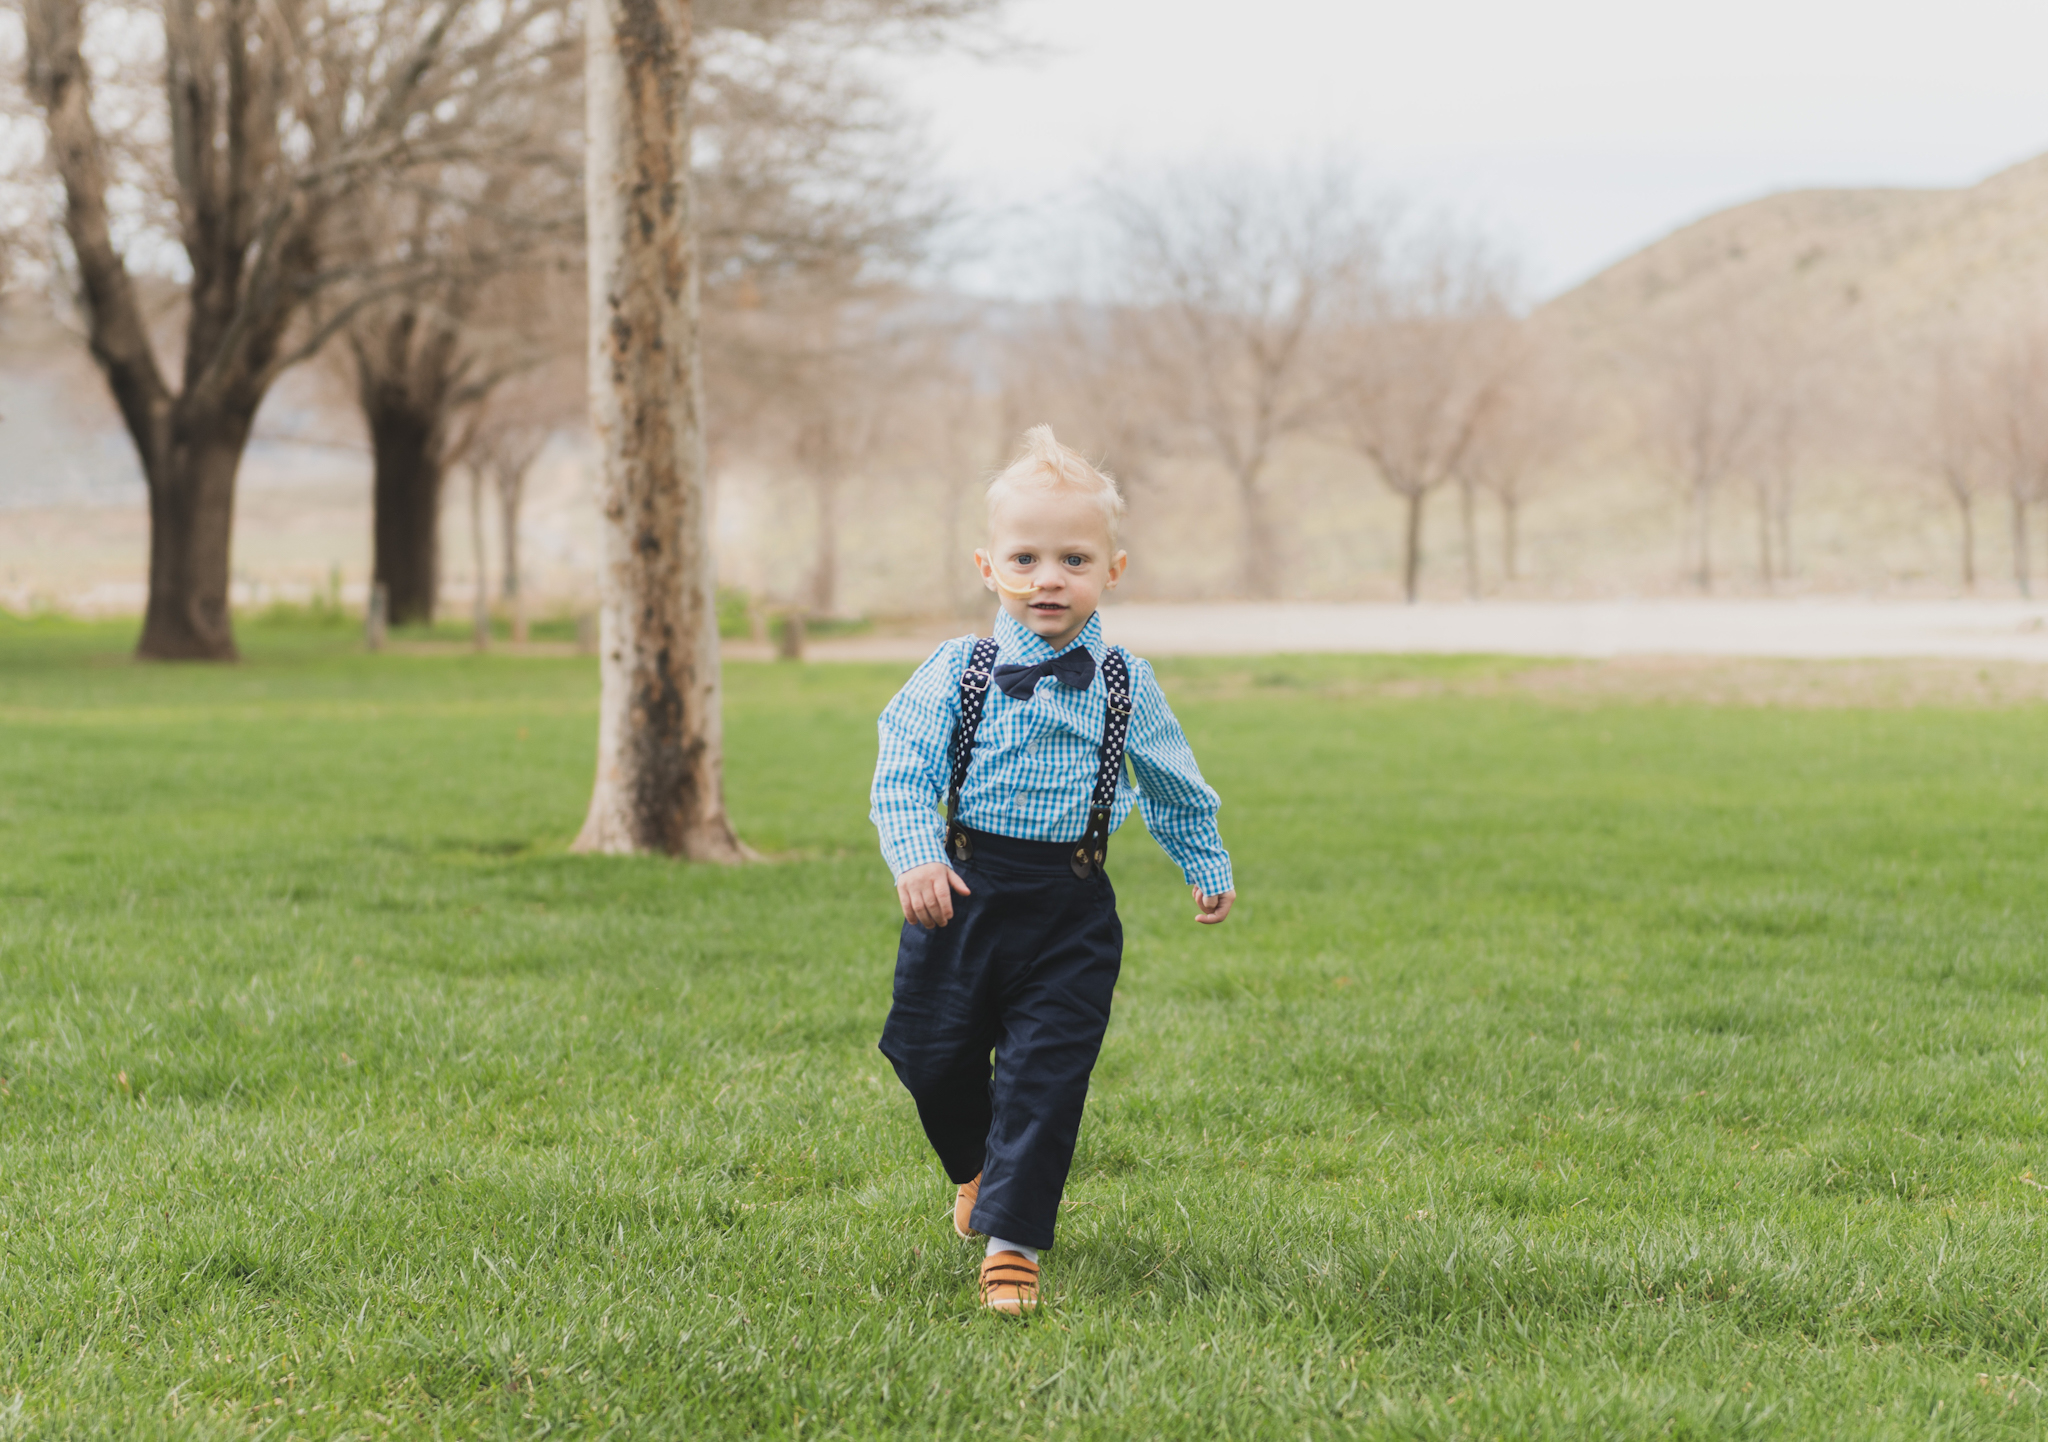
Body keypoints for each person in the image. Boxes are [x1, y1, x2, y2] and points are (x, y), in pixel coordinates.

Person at [870, 425, 1235, 1315]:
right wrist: (916, 851)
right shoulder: (958, 669)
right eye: (1026, 557)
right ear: (988, 567)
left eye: (1073, 558)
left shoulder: (1123, 682)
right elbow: (903, 763)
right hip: (961, 892)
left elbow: (1173, 779)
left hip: (1071, 906)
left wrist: (1203, 859)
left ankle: (1013, 1245)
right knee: (928, 1056)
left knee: (1045, 1075)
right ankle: (975, 1173)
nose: (1048, 578)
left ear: (1112, 569)